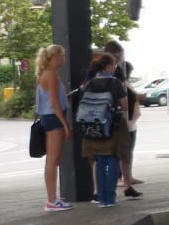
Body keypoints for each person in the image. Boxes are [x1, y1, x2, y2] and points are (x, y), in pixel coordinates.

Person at [80, 52, 130, 208]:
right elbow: (125, 106)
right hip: (113, 126)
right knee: (114, 159)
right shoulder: (115, 83)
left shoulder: (90, 83)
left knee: (100, 161)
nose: (115, 68)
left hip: (94, 128)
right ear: (108, 66)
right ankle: (111, 198)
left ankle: (102, 200)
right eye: (114, 65)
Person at [35, 44, 73, 211]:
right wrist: (66, 124)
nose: (64, 59)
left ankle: (52, 199)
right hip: (54, 118)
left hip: (47, 117)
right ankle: (51, 200)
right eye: (62, 56)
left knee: (51, 160)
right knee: (53, 160)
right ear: (55, 57)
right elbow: (54, 102)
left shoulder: (45, 73)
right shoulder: (51, 74)